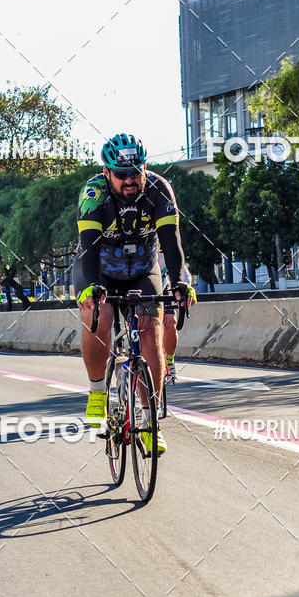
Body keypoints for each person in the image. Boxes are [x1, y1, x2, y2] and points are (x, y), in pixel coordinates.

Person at [73, 133, 189, 453]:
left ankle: (151, 422)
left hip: (142, 270)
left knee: (151, 332)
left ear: (145, 168)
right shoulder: (94, 193)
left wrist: (179, 282)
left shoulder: (159, 189)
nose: (129, 180)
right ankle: (97, 392)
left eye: (135, 172)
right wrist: (93, 288)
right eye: (121, 174)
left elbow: (171, 241)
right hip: (99, 269)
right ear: (107, 172)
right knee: (99, 318)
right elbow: (88, 246)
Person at [158, 243, 197, 383]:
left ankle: (169, 362)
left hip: (163, 284)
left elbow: (183, 274)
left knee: (170, 322)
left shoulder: (165, 247)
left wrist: (187, 289)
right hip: (139, 284)